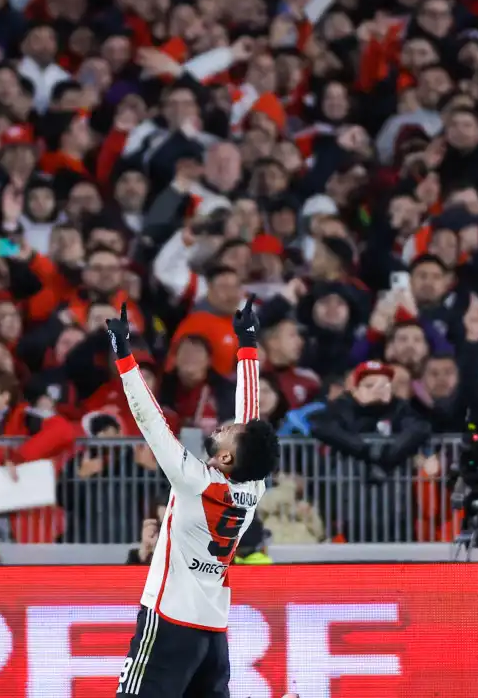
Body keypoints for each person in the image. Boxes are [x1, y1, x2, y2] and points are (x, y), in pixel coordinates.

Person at [106, 298, 278, 698]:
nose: (225, 425)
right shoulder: (252, 487)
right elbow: (250, 418)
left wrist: (125, 358)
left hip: (168, 621)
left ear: (227, 457)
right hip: (212, 632)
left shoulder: (193, 481)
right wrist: (247, 345)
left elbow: (150, 420)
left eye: (228, 431)